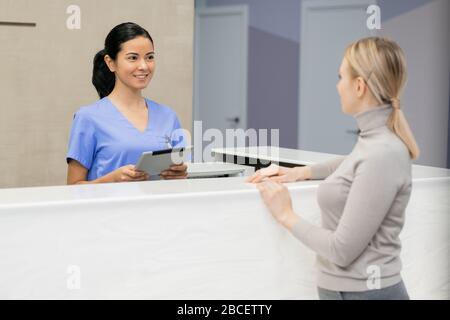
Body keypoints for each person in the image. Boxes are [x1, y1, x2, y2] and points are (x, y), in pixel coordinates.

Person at [247, 37, 420, 300]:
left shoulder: (384, 152)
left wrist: (285, 214)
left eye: (341, 77)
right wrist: (299, 172)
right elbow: (353, 163)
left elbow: (341, 250)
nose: (338, 86)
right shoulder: (373, 143)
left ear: (359, 86)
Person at [66, 22, 187, 184]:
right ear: (111, 63)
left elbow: (182, 179)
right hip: (109, 210)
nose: (144, 66)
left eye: (150, 57)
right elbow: (72, 187)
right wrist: (112, 180)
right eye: (133, 58)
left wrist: (180, 176)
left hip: (159, 209)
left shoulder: (169, 117)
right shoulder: (88, 118)